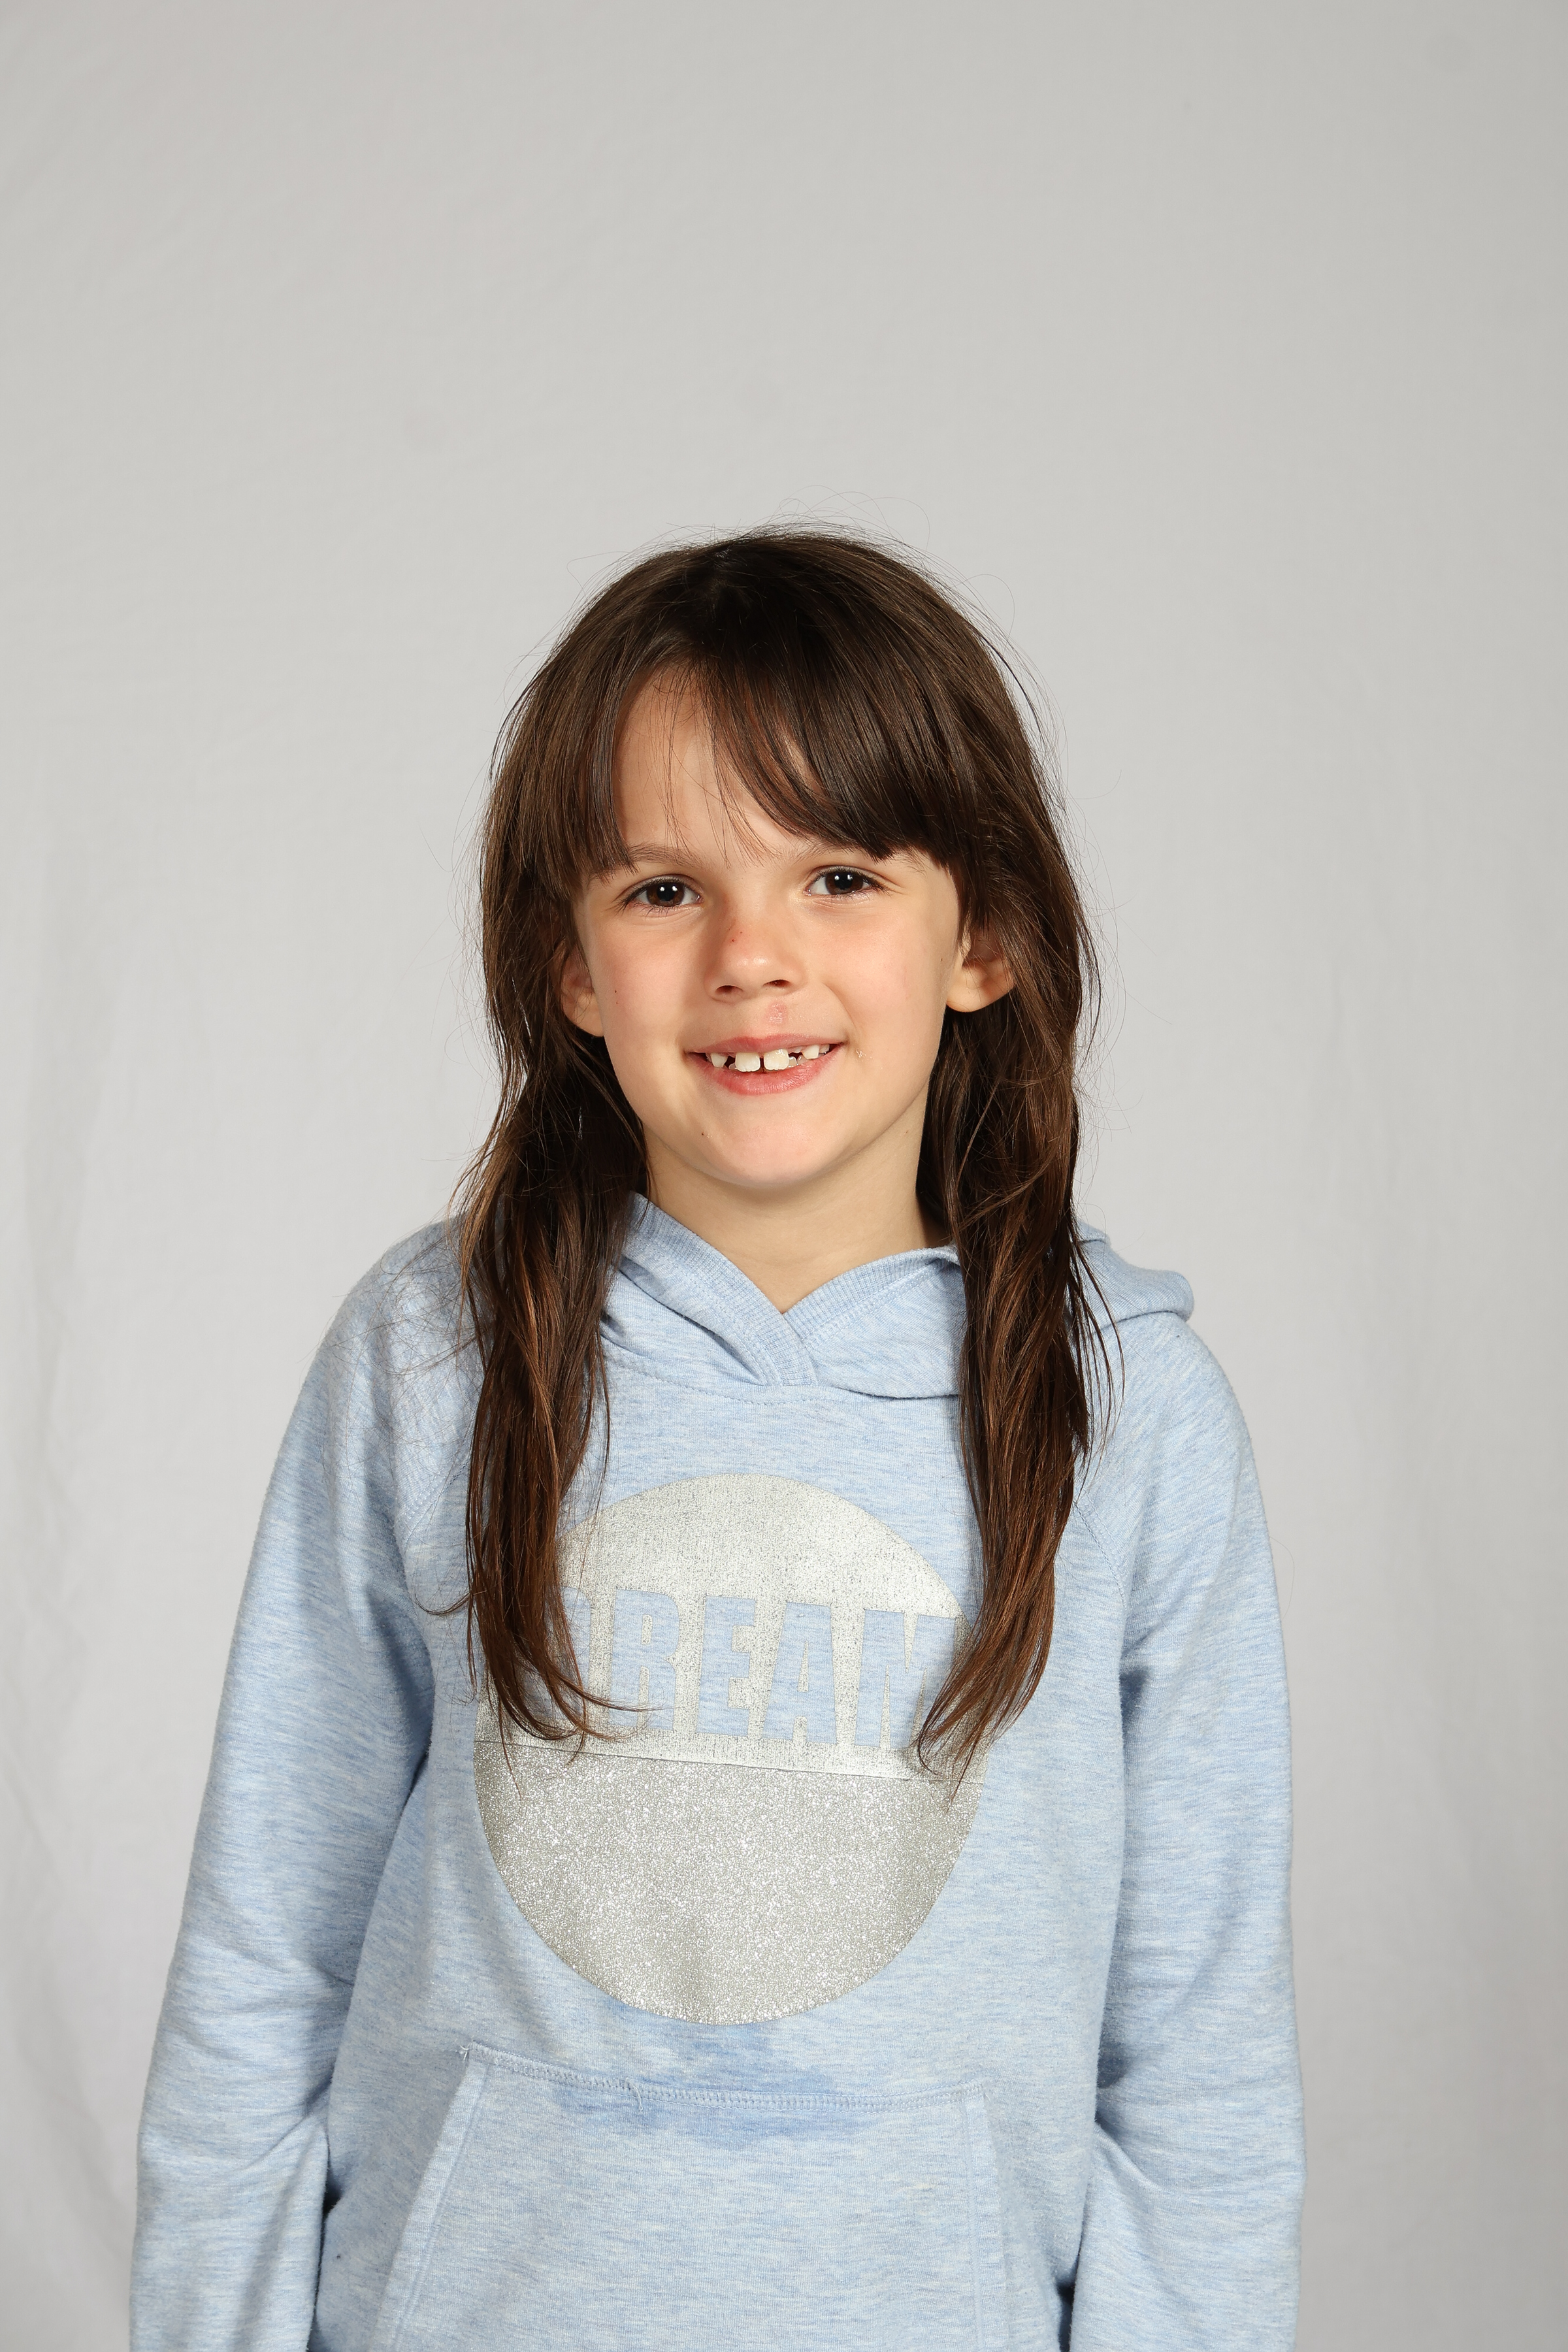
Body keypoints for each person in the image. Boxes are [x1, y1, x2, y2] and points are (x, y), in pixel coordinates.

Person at [132, 531, 1305, 2349]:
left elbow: (1201, 2065)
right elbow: (263, 1955)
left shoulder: (1128, 1410)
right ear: (571, 964)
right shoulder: (434, 1356)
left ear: (983, 935)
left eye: (840, 875)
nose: (754, 958)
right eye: (667, 888)